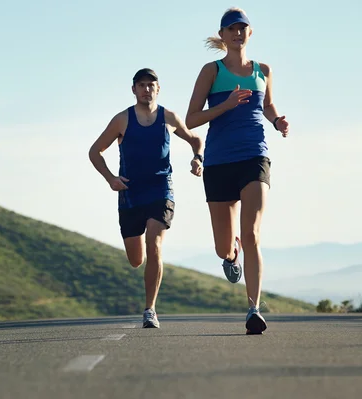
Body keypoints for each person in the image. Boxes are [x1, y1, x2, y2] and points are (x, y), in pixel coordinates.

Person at [185, 8, 290, 335]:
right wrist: (226, 105)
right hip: (218, 162)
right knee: (223, 246)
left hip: (254, 157)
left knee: (253, 234)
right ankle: (231, 256)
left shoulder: (263, 70)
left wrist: (277, 120)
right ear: (223, 35)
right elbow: (191, 119)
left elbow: (268, 105)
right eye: (231, 29)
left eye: (242, 28)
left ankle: (253, 309)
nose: (237, 33)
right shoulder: (211, 71)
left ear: (250, 32)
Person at [88, 68, 204, 329]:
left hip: (161, 189)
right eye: (141, 85)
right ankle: (147, 288)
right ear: (133, 90)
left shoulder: (169, 117)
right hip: (130, 193)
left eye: (151, 85)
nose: (146, 89)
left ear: (158, 89)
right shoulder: (122, 120)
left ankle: (150, 309)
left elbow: (196, 139)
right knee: (136, 259)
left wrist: (198, 159)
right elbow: (95, 151)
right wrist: (110, 179)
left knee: (155, 243)